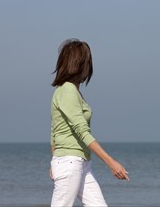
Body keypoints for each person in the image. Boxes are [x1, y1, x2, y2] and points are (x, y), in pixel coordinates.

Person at [49, 38, 129, 207]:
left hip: (80, 163)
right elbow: (82, 131)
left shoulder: (70, 91)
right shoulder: (68, 91)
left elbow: (54, 130)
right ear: (81, 64)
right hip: (70, 162)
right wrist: (111, 162)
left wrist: (54, 160)